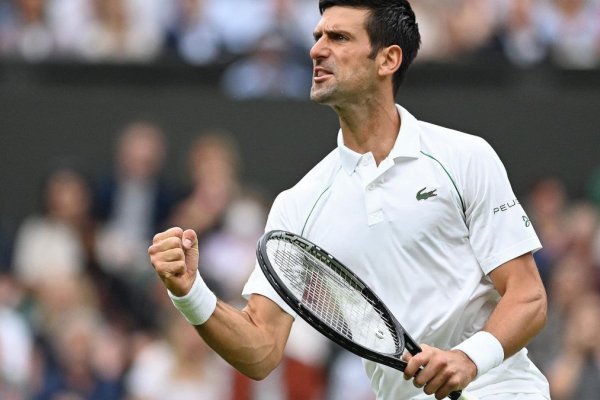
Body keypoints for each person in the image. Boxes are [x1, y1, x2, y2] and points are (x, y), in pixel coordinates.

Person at [148, 1, 550, 398]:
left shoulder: (465, 157)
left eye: (338, 37)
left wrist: (468, 358)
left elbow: (528, 296)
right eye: (317, 36)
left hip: (501, 389)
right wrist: (189, 291)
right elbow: (261, 351)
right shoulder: (299, 203)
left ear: (388, 59)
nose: (317, 49)